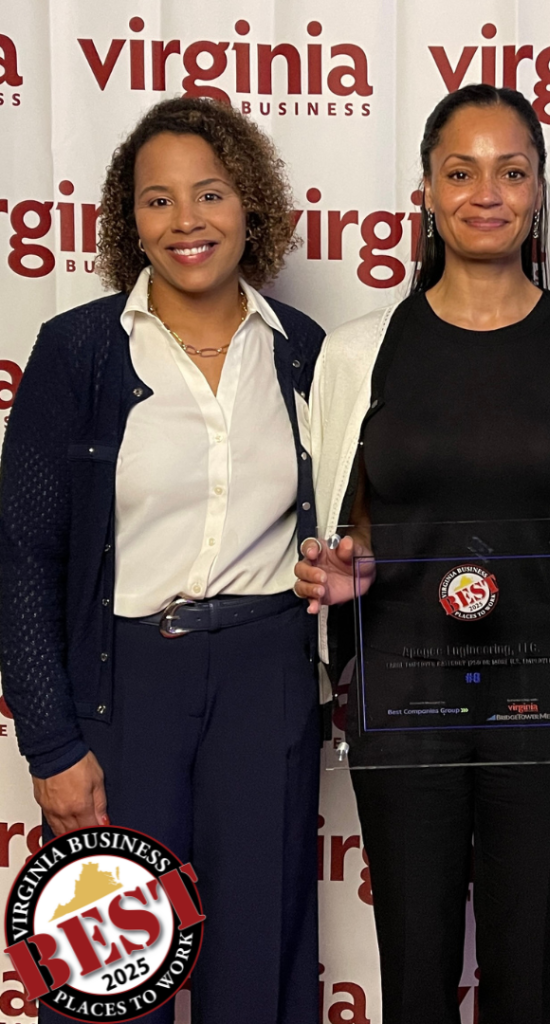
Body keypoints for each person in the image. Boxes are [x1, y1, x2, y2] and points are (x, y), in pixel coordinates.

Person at [294, 84, 550, 1023]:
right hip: (403, 706)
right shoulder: (359, 353)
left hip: (545, 707)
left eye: (512, 170)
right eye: (460, 171)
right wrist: (342, 567)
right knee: (411, 967)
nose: (485, 192)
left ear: (539, 191)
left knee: (526, 969)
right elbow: (353, 526)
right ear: (425, 191)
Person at [0, 97, 325, 1024]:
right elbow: (23, 554)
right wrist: (54, 742)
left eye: (211, 193)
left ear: (250, 206)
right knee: (113, 976)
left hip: (267, 678)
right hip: (125, 685)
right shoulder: (79, 352)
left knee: (259, 961)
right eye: (157, 200)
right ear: (127, 219)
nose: (187, 221)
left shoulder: (303, 350)